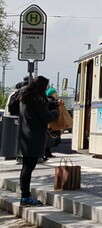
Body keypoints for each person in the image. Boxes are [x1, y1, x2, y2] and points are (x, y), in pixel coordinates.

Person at [18, 76, 59, 206]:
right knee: (28, 168)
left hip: (25, 136)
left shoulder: (25, 98)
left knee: (26, 167)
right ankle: (25, 196)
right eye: (45, 86)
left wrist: (52, 104)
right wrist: (56, 113)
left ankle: (25, 195)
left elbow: (42, 108)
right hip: (33, 137)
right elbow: (46, 117)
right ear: (42, 87)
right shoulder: (35, 99)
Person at [44, 87, 61, 160]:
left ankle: (47, 153)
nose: (56, 94)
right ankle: (47, 153)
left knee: (49, 138)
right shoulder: (51, 101)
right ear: (51, 93)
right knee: (49, 138)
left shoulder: (47, 100)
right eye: (55, 93)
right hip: (50, 122)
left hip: (49, 121)